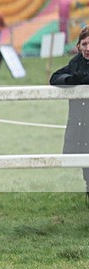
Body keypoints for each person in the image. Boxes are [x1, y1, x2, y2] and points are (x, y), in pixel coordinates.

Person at [49, 26, 89, 201]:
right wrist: (71, 81)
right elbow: (55, 78)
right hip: (82, 129)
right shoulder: (75, 64)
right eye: (85, 44)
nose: (88, 48)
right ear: (79, 46)